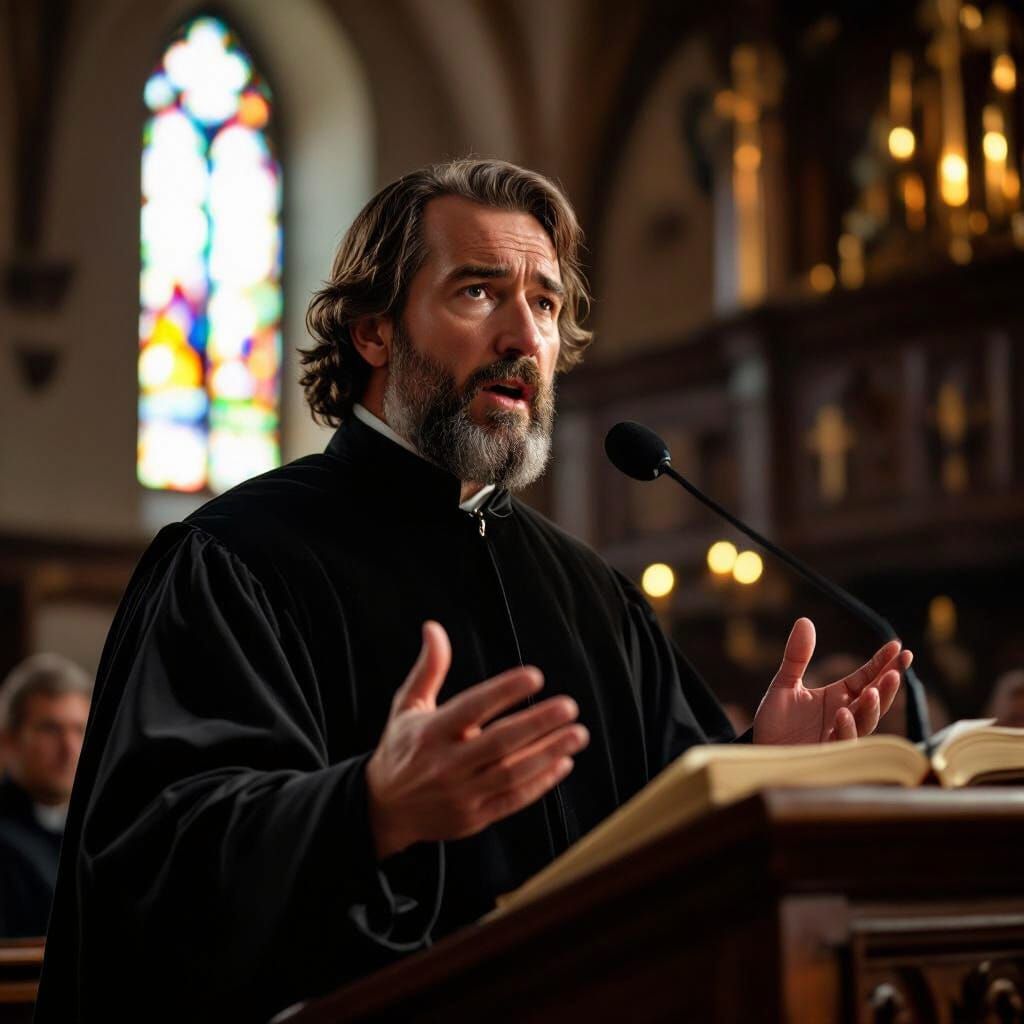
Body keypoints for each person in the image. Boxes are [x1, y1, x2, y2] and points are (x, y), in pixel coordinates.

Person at [36, 159, 909, 1022]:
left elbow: (658, 850)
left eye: (546, 304)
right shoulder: (237, 560)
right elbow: (150, 866)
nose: (525, 338)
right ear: (373, 332)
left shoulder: (589, 593)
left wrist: (756, 765)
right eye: (479, 293)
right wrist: (366, 810)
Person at [0, 653, 92, 937]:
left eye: (80, 730)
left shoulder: (104, 828)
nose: (70, 749)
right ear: (9, 741)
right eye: (51, 729)